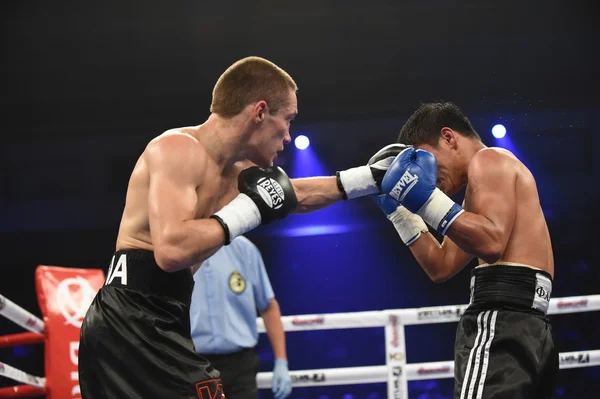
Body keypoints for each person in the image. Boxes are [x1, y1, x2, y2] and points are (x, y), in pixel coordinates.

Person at [78, 55, 403, 398]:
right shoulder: (176, 149)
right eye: (288, 120)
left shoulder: (234, 173)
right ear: (260, 112)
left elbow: (296, 194)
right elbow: (172, 250)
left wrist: (369, 179)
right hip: (130, 319)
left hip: (160, 316)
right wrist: (247, 211)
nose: (289, 137)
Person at [376, 101, 557, 398]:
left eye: (428, 160)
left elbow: (491, 244)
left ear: (448, 138)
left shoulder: (490, 159)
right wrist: (400, 214)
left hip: (501, 322)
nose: (427, 176)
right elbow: (441, 265)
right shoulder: (475, 199)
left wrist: (424, 199)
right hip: (532, 327)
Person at [190, 235, 291, 399]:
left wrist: (281, 361)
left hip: (241, 365)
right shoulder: (178, 250)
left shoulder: (244, 249)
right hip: (193, 364)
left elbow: (268, 306)